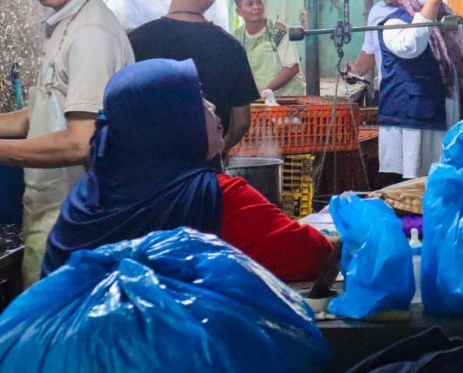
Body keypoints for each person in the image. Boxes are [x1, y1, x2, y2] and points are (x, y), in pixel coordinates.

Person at [41, 59, 335, 283]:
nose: (210, 105)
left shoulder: (85, 197)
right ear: (169, 122)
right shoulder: (217, 197)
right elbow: (310, 256)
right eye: (197, 98)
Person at [0, 0, 135, 286]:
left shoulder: (90, 33)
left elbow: (80, 142)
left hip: (74, 224)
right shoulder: (66, 23)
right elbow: (42, 115)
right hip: (53, 215)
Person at [129, 0, 258, 160]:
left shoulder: (135, 40)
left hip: (147, 173)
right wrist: (218, 151)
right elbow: (242, 121)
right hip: (205, 176)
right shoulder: (230, 47)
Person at [346, 0, 463, 180]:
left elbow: (458, 62)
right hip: (410, 119)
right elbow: (412, 46)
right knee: (410, 178)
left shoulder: (444, 17)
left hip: (440, 113)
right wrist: (431, 3)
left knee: (437, 178)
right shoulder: (392, 22)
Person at [233, 0, 306, 97]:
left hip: (288, 98)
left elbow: (291, 67)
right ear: (238, 11)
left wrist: (264, 93)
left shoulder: (278, 30)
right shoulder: (237, 36)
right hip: (261, 99)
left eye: (259, 2)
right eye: (250, 4)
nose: (256, 7)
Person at [348, 0, 406, 90]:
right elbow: (370, 51)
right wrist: (355, 71)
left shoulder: (424, 11)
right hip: (388, 90)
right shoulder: (377, 12)